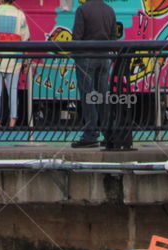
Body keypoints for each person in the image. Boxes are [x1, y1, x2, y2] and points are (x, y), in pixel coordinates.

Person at [70, 0, 116, 148]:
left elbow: (77, 37)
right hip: (104, 58)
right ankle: (109, 133)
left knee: (87, 95)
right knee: (103, 96)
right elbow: (113, 37)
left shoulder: (82, 10)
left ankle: (90, 134)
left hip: (86, 57)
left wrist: (75, 56)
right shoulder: (110, 10)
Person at [0, 0, 29, 129]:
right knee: (12, 90)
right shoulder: (19, 14)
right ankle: (12, 120)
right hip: (14, 58)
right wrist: (25, 60)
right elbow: (25, 37)